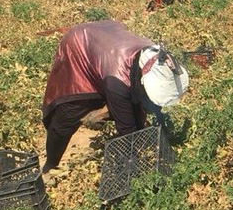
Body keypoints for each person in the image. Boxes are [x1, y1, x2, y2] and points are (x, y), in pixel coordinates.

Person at [41, 20, 189, 174]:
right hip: (80, 46)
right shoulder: (117, 81)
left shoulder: (158, 58)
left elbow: (144, 103)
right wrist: (131, 165)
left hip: (110, 39)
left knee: (134, 110)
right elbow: (127, 130)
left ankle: (104, 112)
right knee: (67, 114)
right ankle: (50, 165)